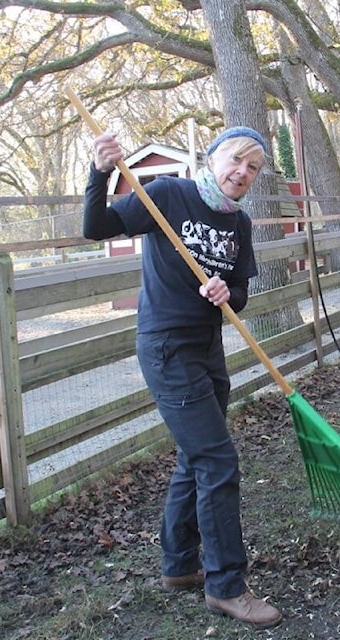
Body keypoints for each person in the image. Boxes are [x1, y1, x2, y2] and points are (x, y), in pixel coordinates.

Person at [82, 126, 282, 629]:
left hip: (208, 348)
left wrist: (225, 293)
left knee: (197, 458)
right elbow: (98, 227)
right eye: (236, 160)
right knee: (218, 461)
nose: (242, 172)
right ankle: (227, 586)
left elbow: (241, 291)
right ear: (212, 157)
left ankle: (178, 567)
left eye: (252, 168)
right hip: (167, 348)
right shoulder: (170, 194)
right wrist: (101, 172)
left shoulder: (239, 223)